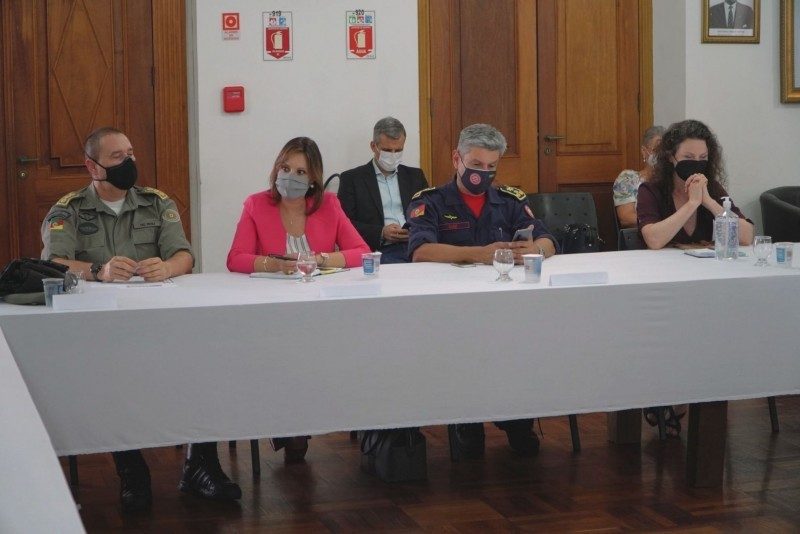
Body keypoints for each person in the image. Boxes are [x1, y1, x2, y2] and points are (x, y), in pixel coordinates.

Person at [41, 127, 241, 512]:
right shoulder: (68, 209)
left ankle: (201, 465)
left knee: (206, 363)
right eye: (117, 157)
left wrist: (166, 267)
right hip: (100, 330)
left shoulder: (156, 202)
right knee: (113, 378)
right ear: (92, 166)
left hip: (161, 324)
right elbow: (52, 263)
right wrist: (98, 269)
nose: (128, 162)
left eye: (130, 153)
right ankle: (132, 470)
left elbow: (185, 256)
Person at [406, 123, 557, 459]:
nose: (483, 174)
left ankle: (516, 419)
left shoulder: (510, 200)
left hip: (506, 308)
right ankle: (466, 421)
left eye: (491, 167)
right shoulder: (429, 201)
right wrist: (482, 253)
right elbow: (420, 251)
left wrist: (534, 251)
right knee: (464, 353)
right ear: (456, 159)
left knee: (518, 347)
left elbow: (548, 239)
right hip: (451, 312)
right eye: (476, 165)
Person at [227, 137, 369, 458]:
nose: (290, 176)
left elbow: (361, 252)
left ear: (314, 179)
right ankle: (291, 426)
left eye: (300, 171)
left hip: (318, 309)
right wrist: (274, 264)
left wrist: (319, 259)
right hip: (271, 311)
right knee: (285, 351)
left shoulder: (329, 205)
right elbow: (235, 258)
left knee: (324, 348)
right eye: (285, 168)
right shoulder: (256, 204)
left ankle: (304, 421)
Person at [637, 119, 754, 250]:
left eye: (703, 157)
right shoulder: (651, 190)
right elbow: (653, 240)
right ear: (670, 156)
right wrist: (692, 203)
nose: (696, 163)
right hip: (663, 267)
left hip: (704, 268)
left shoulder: (711, 187)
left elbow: (746, 237)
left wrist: (709, 202)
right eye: (688, 157)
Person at [338, 117, 429, 263]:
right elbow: (344, 224)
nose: (393, 155)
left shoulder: (416, 176)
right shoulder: (352, 179)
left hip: (416, 246)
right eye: (387, 150)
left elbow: (429, 213)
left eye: (398, 150)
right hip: (379, 251)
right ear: (374, 146)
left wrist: (414, 229)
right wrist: (381, 232)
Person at [612, 125, 664, 229]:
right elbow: (627, 219)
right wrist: (665, 224)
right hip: (640, 238)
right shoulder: (628, 179)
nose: (661, 155)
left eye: (665, 150)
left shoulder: (675, 178)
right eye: (657, 149)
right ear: (644, 151)